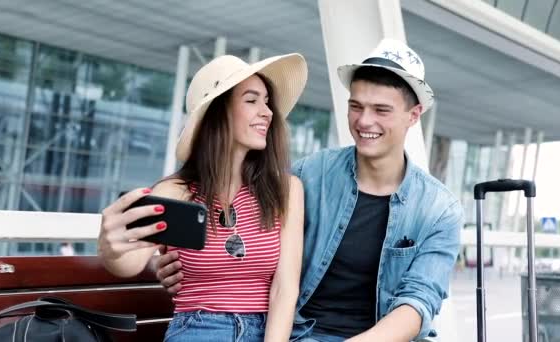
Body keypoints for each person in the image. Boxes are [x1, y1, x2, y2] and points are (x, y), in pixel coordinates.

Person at [156, 39, 463, 342]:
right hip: (304, 334)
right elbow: (238, 223)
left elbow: (418, 302)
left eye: (381, 110)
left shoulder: (439, 210)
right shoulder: (308, 176)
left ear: (414, 114)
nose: (365, 120)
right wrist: (166, 262)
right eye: (356, 106)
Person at [97, 52, 308, 342]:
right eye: (251, 100)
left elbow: (285, 289)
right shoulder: (177, 191)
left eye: (267, 101)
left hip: (267, 331)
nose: (268, 112)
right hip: (199, 329)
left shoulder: (286, 190)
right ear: (218, 113)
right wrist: (111, 247)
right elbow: (130, 262)